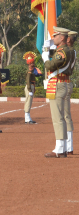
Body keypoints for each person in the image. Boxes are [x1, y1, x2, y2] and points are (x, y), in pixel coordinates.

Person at [42, 27, 72, 158]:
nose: (53, 38)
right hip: (61, 83)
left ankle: (60, 149)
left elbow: (50, 66)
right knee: (61, 118)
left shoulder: (62, 52)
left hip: (58, 85)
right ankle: (63, 147)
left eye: (55, 36)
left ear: (62, 38)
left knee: (57, 118)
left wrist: (44, 57)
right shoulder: (66, 50)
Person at [64, 31, 76, 154]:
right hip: (66, 82)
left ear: (68, 40)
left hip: (64, 83)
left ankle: (67, 146)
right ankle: (68, 145)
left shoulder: (68, 51)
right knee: (65, 115)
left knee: (64, 116)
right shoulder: (72, 51)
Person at [22, 52, 37, 124]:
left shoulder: (31, 71)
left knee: (29, 101)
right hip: (29, 86)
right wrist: (30, 90)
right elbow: (28, 81)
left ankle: (28, 117)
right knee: (28, 102)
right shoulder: (29, 71)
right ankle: (27, 118)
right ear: (30, 63)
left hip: (31, 86)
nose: (33, 64)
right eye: (32, 63)